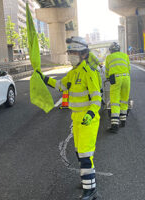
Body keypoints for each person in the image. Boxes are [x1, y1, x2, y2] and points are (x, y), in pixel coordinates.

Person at [37, 36, 101, 200]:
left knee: (86, 155)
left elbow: (96, 99)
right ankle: (88, 181)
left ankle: (91, 191)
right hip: (76, 118)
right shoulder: (73, 73)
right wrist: (44, 78)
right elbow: (61, 86)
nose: (71, 55)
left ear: (84, 54)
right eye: (70, 52)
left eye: (74, 52)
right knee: (80, 153)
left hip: (88, 119)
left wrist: (90, 114)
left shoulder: (89, 73)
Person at [104, 42, 131, 133]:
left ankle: (114, 125)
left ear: (111, 50)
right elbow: (129, 68)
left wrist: (108, 77)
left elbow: (107, 70)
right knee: (124, 99)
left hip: (115, 78)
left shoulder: (109, 57)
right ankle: (123, 121)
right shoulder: (125, 55)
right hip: (126, 78)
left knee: (115, 101)